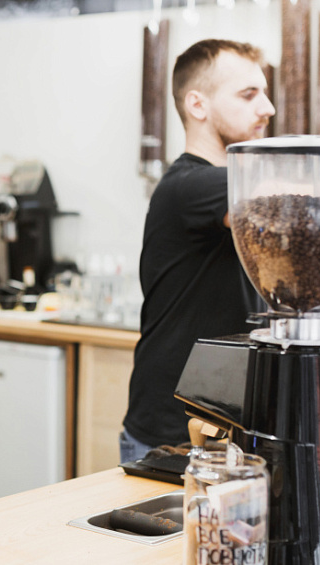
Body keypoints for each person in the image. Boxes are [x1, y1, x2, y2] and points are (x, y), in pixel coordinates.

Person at [121, 39, 275, 463]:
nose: (268, 108)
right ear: (197, 105)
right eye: (248, 94)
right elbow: (284, 198)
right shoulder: (187, 187)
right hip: (172, 436)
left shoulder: (228, 192)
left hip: (226, 427)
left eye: (264, 93)